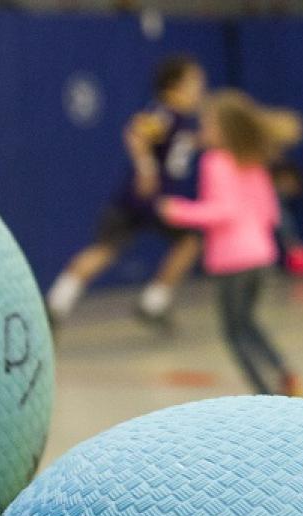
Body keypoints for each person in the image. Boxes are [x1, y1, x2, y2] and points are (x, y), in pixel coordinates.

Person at [157, 90, 303, 397]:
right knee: (248, 322)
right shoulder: (252, 162)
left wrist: (178, 211)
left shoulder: (216, 162)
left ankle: (265, 394)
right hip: (261, 257)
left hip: (233, 261)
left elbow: (223, 210)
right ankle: (283, 372)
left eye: (208, 124)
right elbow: (270, 212)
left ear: (224, 129)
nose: (203, 131)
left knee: (233, 332)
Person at [45, 55, 208, 330]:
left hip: (158, 200)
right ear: (173, 86)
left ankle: (59, 303)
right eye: (194, 82)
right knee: (112, 248)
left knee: (185, 243)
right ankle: (56, 307)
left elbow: (176, 147)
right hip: (146, 199)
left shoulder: (182, 121)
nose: (200, 88)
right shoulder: (164, 113)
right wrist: (146, 169)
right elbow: (135, 133)